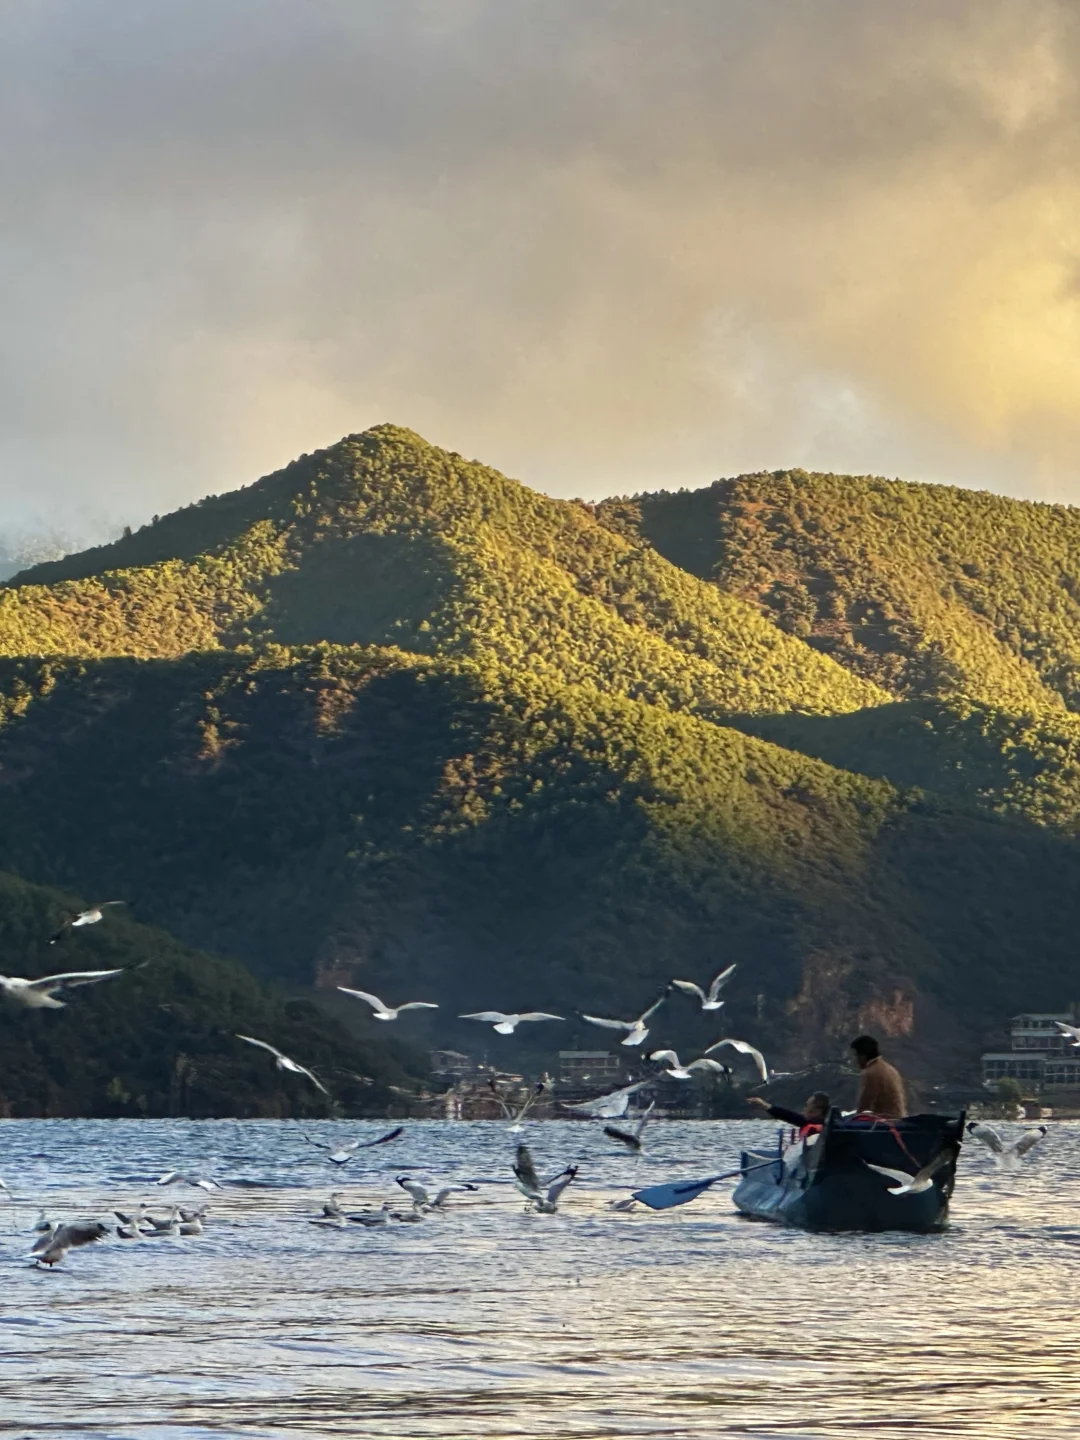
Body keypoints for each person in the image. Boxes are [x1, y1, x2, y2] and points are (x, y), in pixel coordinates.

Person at [850, 1034, 907, 1118]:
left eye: (856, 1055)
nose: (855, 1060)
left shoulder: (871, 1072)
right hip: (898, 1120)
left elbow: (865, 1105)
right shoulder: (891, 1069)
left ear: (863, 1055)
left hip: (882, 1123)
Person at [747, 1092, 830, 1133]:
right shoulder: (832, 1124)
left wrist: (767, 1106)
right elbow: (792, 1116)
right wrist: (767, 1107)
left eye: (807, 1106)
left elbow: (790, 1116)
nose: (804, 1109)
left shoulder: (813, 1128)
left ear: (816, 1112)